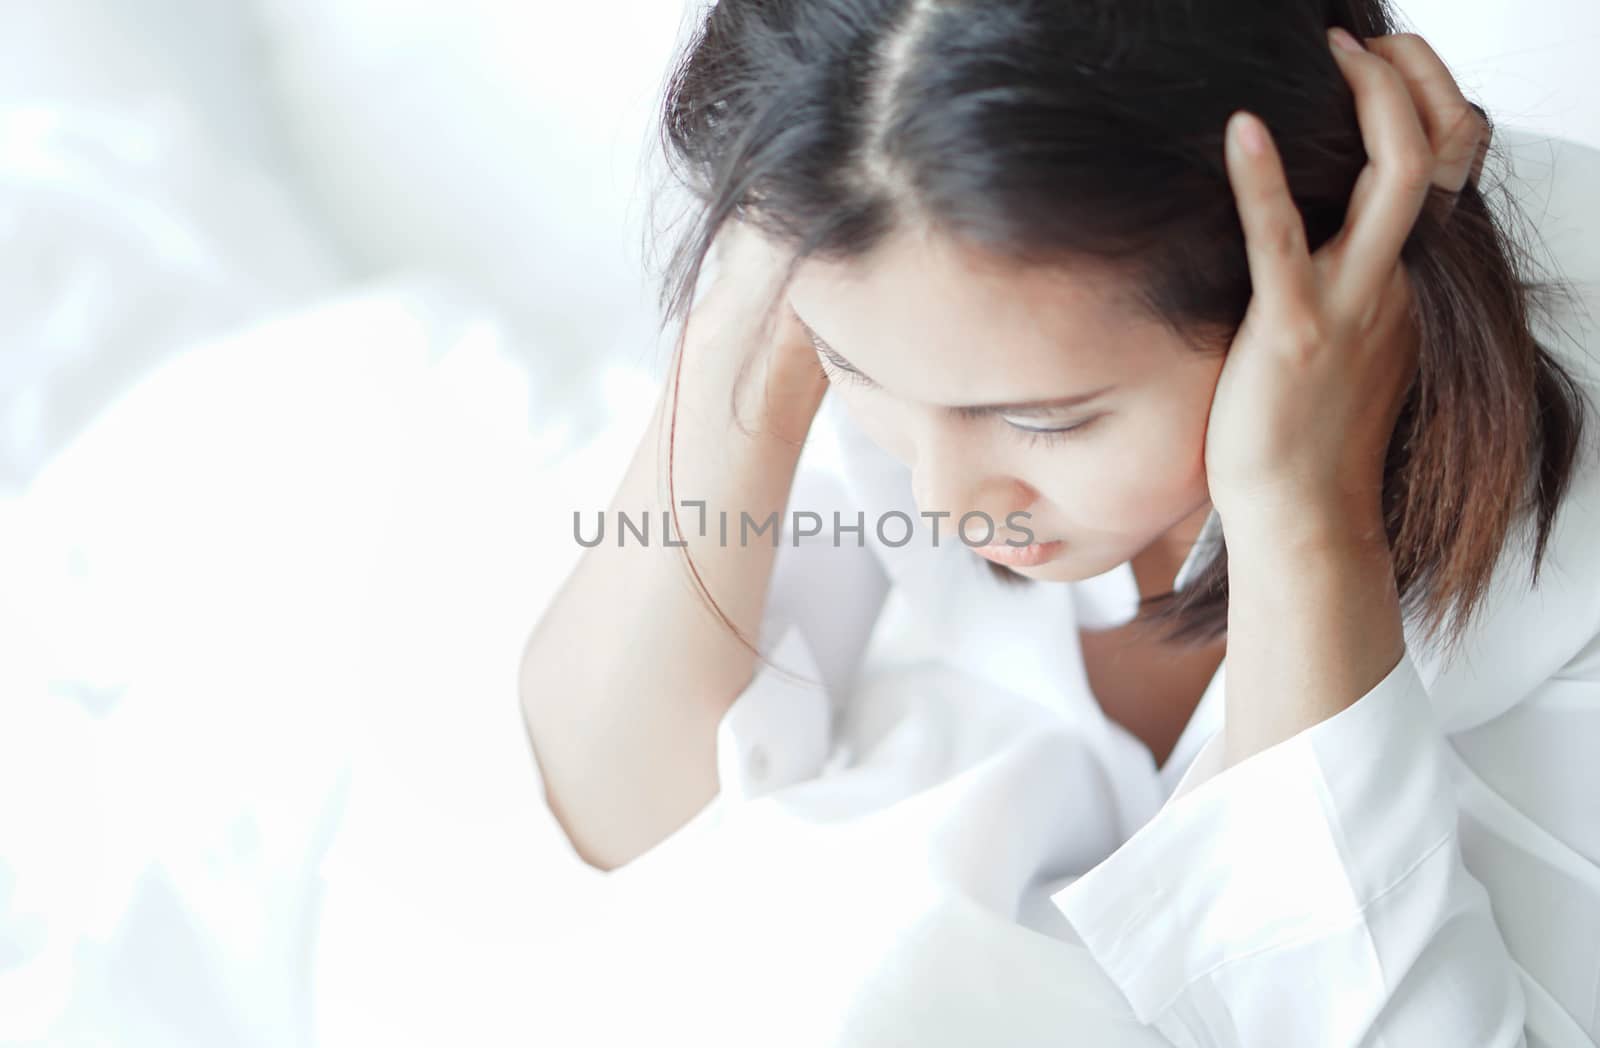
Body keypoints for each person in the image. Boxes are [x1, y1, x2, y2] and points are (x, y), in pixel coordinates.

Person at [521, 2, 1600, 1044]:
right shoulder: (897, 281)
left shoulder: (1561, 554)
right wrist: (766, 264)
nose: (940, 504)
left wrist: (1302, 523)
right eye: (852, 367)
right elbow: (625, 804)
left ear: (1298, 269)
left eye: (1044, 420)